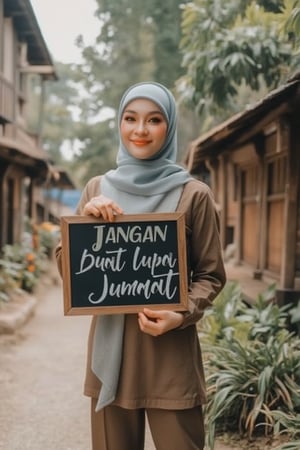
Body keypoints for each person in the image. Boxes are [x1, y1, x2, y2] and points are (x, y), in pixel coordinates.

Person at [55, 81, 226, 450]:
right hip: (110, 360)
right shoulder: (97, 190)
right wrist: (85, 225)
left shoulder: (193, 193)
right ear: (119, 123)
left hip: (170, 354)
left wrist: (180, 314)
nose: (140, 130)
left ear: (169, 127)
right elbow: (68, 270)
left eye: (154, 120)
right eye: (130, 118)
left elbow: (211, 275)